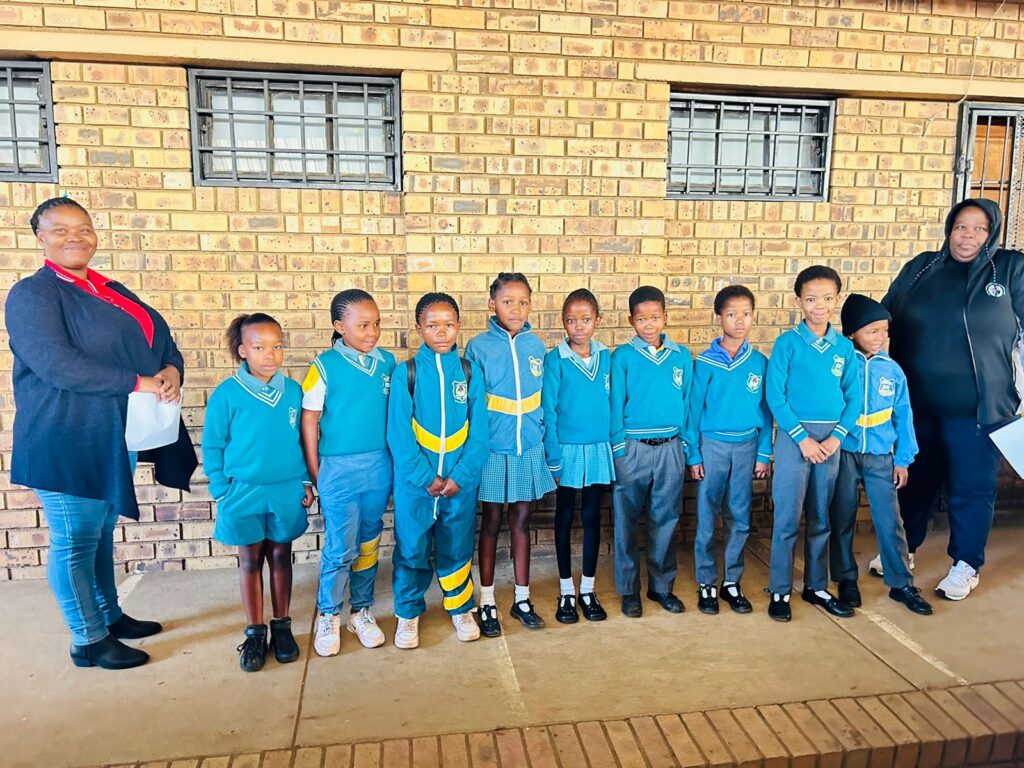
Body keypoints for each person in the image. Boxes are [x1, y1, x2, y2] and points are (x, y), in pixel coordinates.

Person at [6, 196, 197, 671]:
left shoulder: (110, 289)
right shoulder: (34, 295)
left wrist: (171, 369)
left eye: (84, 228)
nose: (75, 237)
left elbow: (161, 338)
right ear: (40, 238)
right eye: (60, 229)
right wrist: (139, 382)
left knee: (99, 532)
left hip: (112, 434)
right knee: (75, 540)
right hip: (66, 436)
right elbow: (56, 364)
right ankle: (88, 639)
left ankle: (109, 615)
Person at [880, 198, 1024, 600]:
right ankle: (903, 550)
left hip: (979, 410)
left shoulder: (1010, 268)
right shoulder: (922, 267)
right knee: (913, 482)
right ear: (949, 228)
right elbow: (884, 317)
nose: (968, 236)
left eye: (979, 229)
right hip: (918, 407)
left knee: (971, 488)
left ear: (991, 233)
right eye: (961, 226)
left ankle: (965, 564)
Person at [202, 313, 315, 672]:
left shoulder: (293, 392)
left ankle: (282, 626)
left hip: (285, 490)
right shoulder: (227, 394)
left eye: (277, 346)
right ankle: (255, 632)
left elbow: (303, 441)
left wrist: (305, 481)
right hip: (243, 492)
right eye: (259, 347)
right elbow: (213, 445)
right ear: (242, 351)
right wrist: (221, 490)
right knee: (250, 561)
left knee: (281, 556)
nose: (270, 354)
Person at [387, 293, 489, 649]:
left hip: (460, 484)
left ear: (458, 326)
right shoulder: (407, 373)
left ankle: (460, 608)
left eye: (448, 324)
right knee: (411, 547)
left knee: (457, 545)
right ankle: (408, 613)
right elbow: (398, 434)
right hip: (416, 485)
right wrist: (424, 477)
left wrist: (461, 475)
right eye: (432, 325)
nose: (441, 332)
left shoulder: (469, 372)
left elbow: (480, 431)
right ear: (419, 329)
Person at [301, 290, 396, 656]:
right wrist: (315, 471)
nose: (372, 332)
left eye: (377, 324)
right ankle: (328, 613)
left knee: (370, 541)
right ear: (340, 327)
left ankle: (361, 610)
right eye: (363, 325)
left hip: (378, 466)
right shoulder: (324, 365)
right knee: (341, 545)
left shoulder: (387, 362)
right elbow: (310, 420)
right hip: (338, 470)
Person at [765, 266, 859, 622]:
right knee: (787, 517)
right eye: (811, 299)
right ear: (798, 302)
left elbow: (853, 398)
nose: (819, 306)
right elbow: (775, 396)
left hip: (830, 442)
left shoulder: (844, 348)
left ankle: (816, 586)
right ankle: (779, 589)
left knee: (821, 516)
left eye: (827, 298)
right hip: (795, 440)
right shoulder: (787, 344)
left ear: (837, 300)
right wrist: (802, 438)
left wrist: (837, 437)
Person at [828, 294, 932, 616]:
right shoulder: (840, 366)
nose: (880, 337)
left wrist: (903, 459)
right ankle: (846, 579)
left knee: (890, 521)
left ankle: (901, 583)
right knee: (841, 517)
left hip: (880, 457)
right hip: (844, 453)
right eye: (872, 330)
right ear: (852, 333)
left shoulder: (892, 371)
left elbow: (904, 416)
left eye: (884, 330)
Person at [466, 273, 556, 637]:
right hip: (492, 450)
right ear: (492, 305)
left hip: (528, 448)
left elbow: (543, 399)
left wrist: (543, 440)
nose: (515, 309)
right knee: (490, 522)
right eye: (507, 302)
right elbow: (473, 403)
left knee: (521, 521)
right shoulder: (478, 347)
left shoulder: (536, 346)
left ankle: (522, 598)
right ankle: (487, 600)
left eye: (522, 302)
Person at [685, 285, 772, 615]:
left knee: (740, 514)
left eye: (746, 314)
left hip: (747, 446)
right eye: (732, 314)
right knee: (707, 514)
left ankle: (731, 581)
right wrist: (693, 454)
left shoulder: (759, 362)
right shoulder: (705, 363)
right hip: (713, 447)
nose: (739, 320)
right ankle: (706, 581)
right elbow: (693, 412)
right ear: (719, 317)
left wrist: (763, 452)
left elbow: (766, 411)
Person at [610, 285, 692, 618]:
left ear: (665, 318)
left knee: (666, 518)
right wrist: (619, 449)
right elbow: (615, 404)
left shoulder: (681, 356)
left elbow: (687, 403)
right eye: (641, 319)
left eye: (655, 317)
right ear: (631, 321)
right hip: (633, 449)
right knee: (626, 521)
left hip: (670, 447)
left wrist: (684, 444)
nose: (648, 324)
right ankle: (629, 590)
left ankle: (661, 586)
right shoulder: (622, 357)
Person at [541, 289, 614, 623]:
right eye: (571, 320)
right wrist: (553, 456)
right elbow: (549, 410)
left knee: (592, 517)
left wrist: (615, 445)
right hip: (567, 450)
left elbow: (614, 403)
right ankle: (566, 591)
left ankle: (588, 589)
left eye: (586, 319)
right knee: (565, 516)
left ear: (597, 320)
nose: (579, 326)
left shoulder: (607, 357)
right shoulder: (555, 360)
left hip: (598, 448)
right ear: (563, 323)